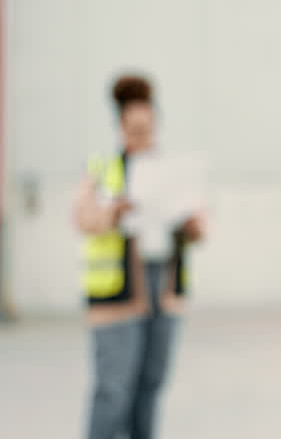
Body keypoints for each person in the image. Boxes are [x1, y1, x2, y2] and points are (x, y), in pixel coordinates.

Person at [73, 74, 206, 439]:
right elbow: (82, 217)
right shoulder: (103, 169)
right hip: (117, 296)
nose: (141, 138)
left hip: (162, 291)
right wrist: (113, 212)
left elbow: (201, 228)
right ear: (120, 127)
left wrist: (192, 225)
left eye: (147, 130)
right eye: (134, 130)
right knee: (114, 391)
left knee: (150, 387)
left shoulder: (174, 172)